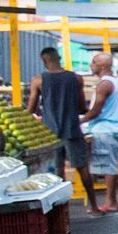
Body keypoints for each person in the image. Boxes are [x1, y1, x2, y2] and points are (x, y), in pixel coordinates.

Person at [29, 47, 96, 205]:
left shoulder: (39, 80)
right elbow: (81, 106)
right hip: (72, 129)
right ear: (59, 58)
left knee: (57, 170)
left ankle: (61, 207)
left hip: (50, 132)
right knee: (83, 168)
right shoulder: (76, 78)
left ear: (44, 61)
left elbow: (31, 108)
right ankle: (94, 205)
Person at [79, 50, 118, 215]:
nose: (91, 66)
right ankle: (111, 200)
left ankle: (111, 201)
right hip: (112, 129)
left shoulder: (104, 84)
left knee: (108, 167)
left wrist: (81, 120)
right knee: (109, 165)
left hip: (105, 129)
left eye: (94, 63)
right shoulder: (113, 82)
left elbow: (96, 109)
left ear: (103, 66)